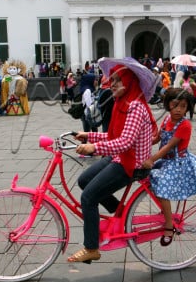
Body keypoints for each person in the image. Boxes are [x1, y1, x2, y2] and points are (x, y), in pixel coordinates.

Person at [68, 59, 158, 264]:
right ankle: (122, 214)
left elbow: (125, 142)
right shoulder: (123, 103)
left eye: (118, 80)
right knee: (83, 181)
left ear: (129, 81)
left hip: (132, 163)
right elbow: (112, 136)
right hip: (120, 156)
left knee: (89, 198)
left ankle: (91, 248)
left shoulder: (135, 106)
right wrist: (88, 136)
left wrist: (94, 148)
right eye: (112, 79)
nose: (112, 83)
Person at [142, 88, 196, 245]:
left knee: (162, 187)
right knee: (147, 178)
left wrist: (151, 159)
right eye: (175, 105)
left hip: (177, 163)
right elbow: (157, 138)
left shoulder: (185, 125)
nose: (179, 109)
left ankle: (169, 225)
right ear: (168, 105)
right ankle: (166, 211)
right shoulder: (166, 120)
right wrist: (140, 143)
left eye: (183, 106)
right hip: (165, 160)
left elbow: (169, 146)